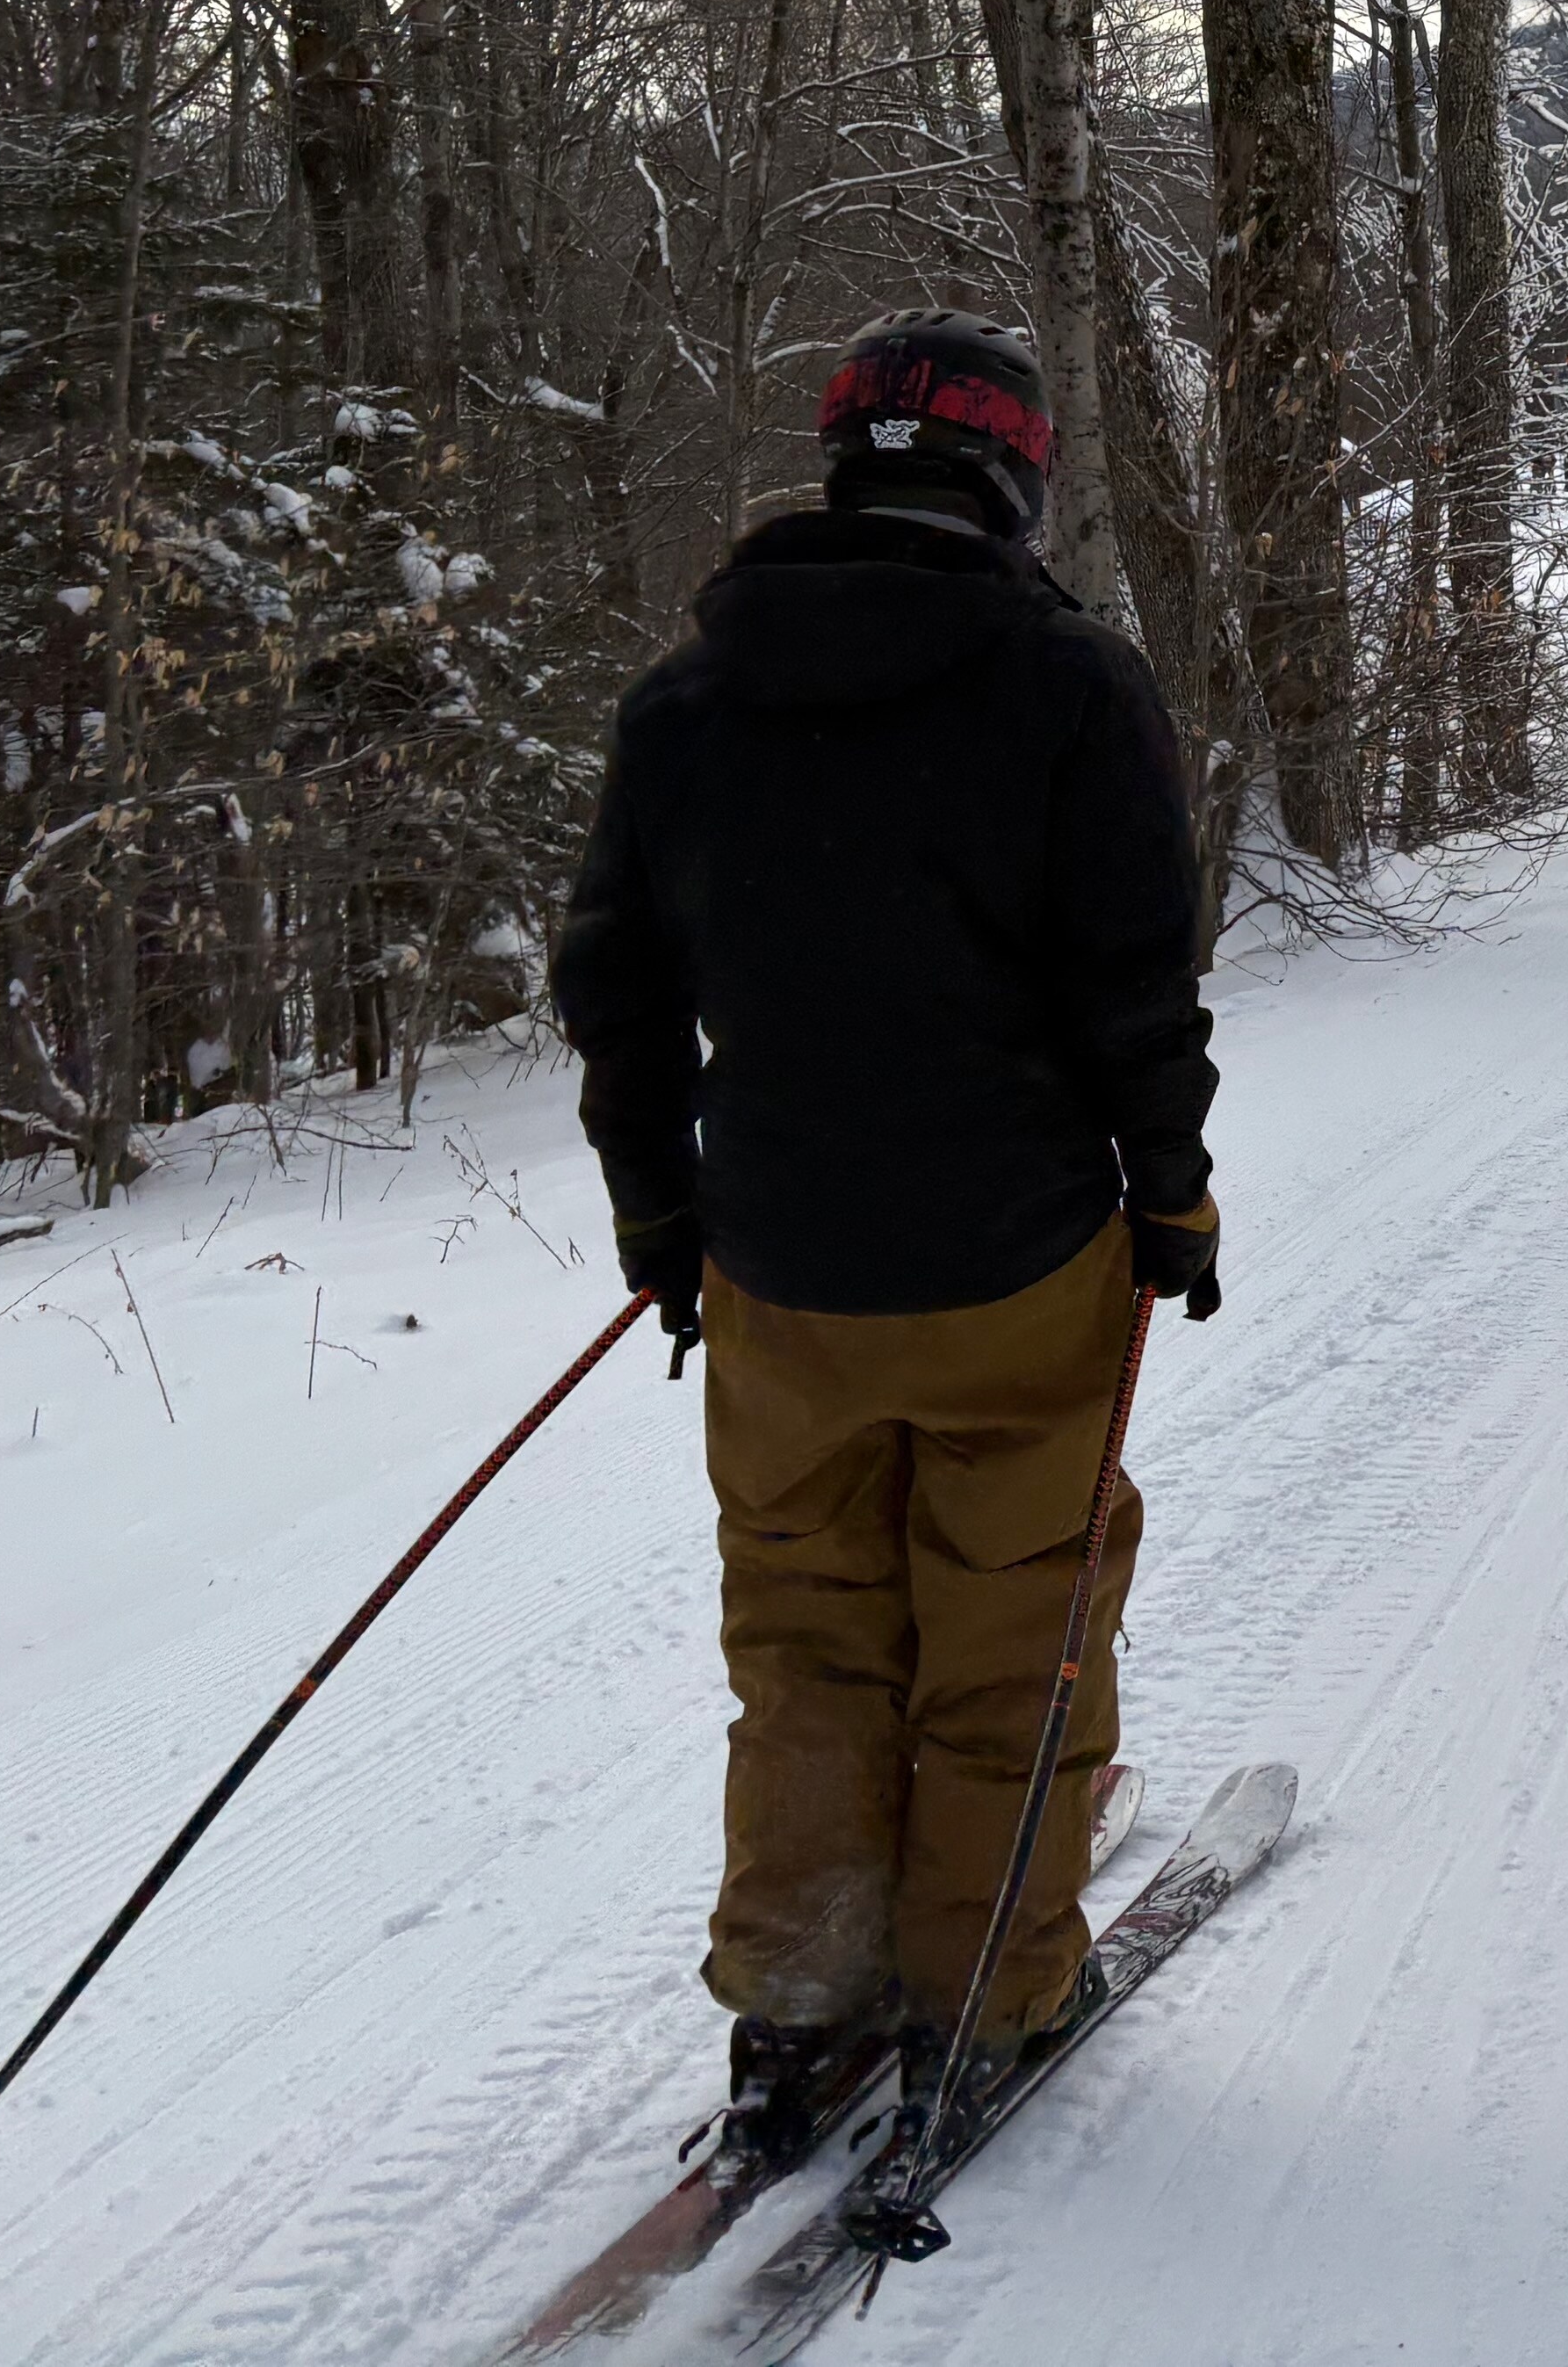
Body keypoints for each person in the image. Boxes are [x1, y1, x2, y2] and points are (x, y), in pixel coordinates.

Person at [553, 309, 1224, 2174]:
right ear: (1015, 477)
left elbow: (616, 988)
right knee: (1010, 1634)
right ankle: (990, 1990)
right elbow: (1136, 985)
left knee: (810, 1642)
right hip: (1018, 1265)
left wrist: (660, 1217)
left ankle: (801, 1991)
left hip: (782, 1270)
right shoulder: (1068, 687)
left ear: (846, 462)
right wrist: (1171, 1196)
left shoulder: (689, 702)